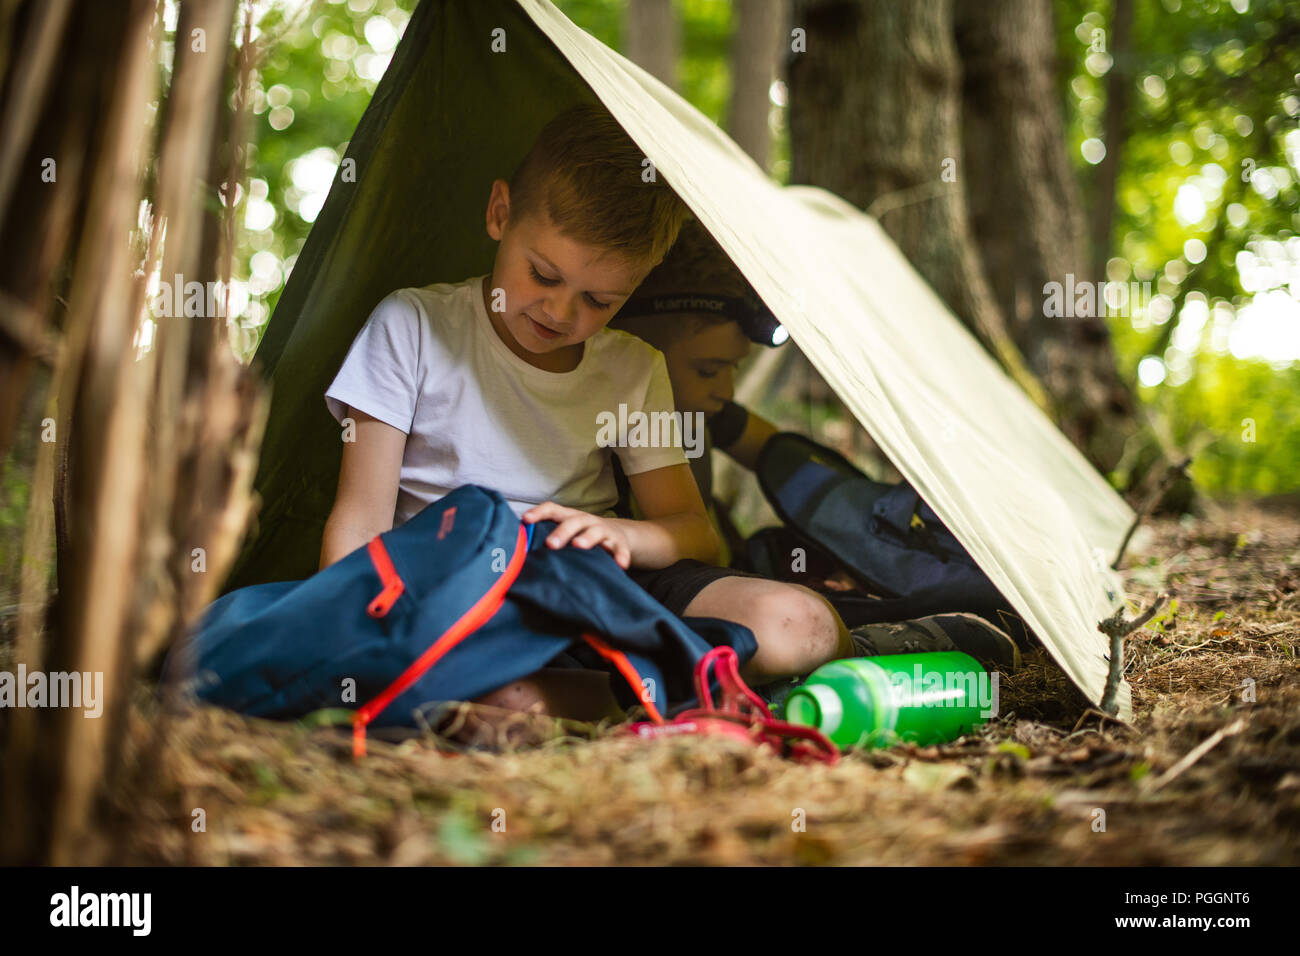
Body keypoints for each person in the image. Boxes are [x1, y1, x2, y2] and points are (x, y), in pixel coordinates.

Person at [318, 105, 853, 734]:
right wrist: (345, 638)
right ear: (499, 213)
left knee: (805, 625)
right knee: (502, 706)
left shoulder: (634, 368)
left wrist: (622, 536)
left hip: (596, 586)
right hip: (458, 597)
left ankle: (633, 691)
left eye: (600, 300)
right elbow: (361, 521)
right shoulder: (410, 328)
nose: (561, 311)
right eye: (543, 275)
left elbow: (691, 531)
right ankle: (664, 693)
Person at [611, 219, 1022, 675]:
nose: (726, 390)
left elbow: (789, 464)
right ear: (630, 344)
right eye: (708, 370)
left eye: (733, 369)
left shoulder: (707, 415)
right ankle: (861, 654)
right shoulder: (610, 420)